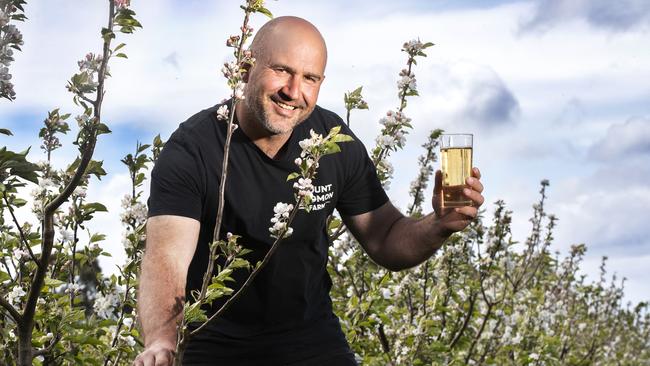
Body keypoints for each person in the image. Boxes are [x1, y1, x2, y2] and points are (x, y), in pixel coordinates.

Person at [133, 16, 484, 366]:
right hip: (215, 347)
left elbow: (387, 239)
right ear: (245, 67)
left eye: (310, 78)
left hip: (313, 344)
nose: (293, 91)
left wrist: (437, 225)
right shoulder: (193, 148)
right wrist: (162, 341)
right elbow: (167, 258)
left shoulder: (332, 141)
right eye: (282, 70)